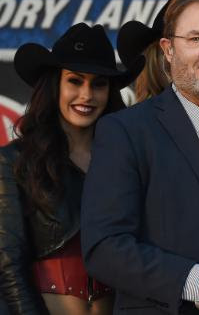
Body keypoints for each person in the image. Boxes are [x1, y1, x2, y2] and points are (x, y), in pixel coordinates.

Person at [81, 0, 199, 314]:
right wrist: (197, 279)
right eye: (196, 39)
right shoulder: (126, 131)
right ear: (168, 50)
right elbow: (104, 247)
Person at [0, 23, 141, 314]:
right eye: (75, 81)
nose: (86, 95)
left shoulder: (127, 159)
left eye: (98, 84)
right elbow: (8, 262)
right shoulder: (14, 160)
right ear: (55, 86)